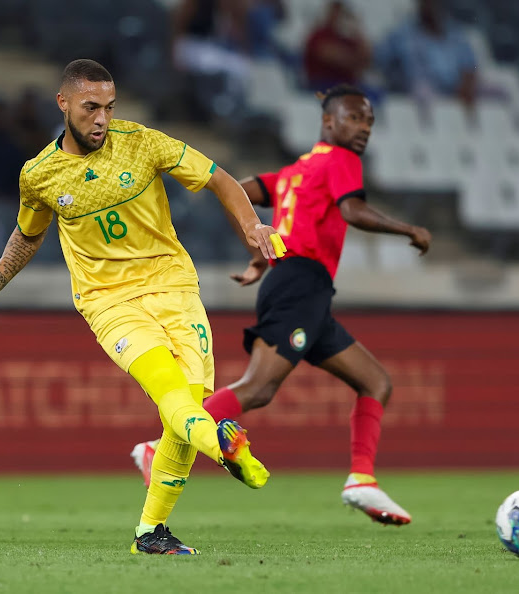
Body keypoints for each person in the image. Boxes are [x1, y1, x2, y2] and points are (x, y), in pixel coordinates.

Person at [0, 59, 287, 555]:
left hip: (174, 288)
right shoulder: (38, 175)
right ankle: (223, 445)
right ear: (63, 104)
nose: (101, 118)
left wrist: (253, 226)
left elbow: (220, 178)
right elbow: (27, 234)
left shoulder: (142, 142)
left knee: (182, 413)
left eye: (108, 107)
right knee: (171, 393)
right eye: (90, 107)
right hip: (109, 303)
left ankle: (150, 533)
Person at [133, 84, 432, 525]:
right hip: (301, 283)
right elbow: (352, 211)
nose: (364, 127)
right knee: (259, 387)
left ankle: (361, 481)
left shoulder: (295, 172)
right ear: (328, 122)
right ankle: (159, 448)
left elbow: (239, 191)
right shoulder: (341, 161)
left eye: (368, 120)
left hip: (300, 287)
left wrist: (259, 252)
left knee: (375, 382)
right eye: (354, 117)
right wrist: (409, 229)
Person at [375, 0, 477, 109]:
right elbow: (381, 61)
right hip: (418, 93)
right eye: (427, 2)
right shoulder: (402, 34)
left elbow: (469, 67)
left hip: (455, 93)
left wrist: (465, 87)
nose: (431, 6)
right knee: (422, 92)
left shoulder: (457, 35)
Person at [303, 2, 372, 92]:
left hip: (347, 84)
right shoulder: (319, 35)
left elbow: (366, 60)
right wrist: (354, 59)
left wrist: (357, 31)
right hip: (324, 84)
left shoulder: (346, 38)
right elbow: (335, 57)